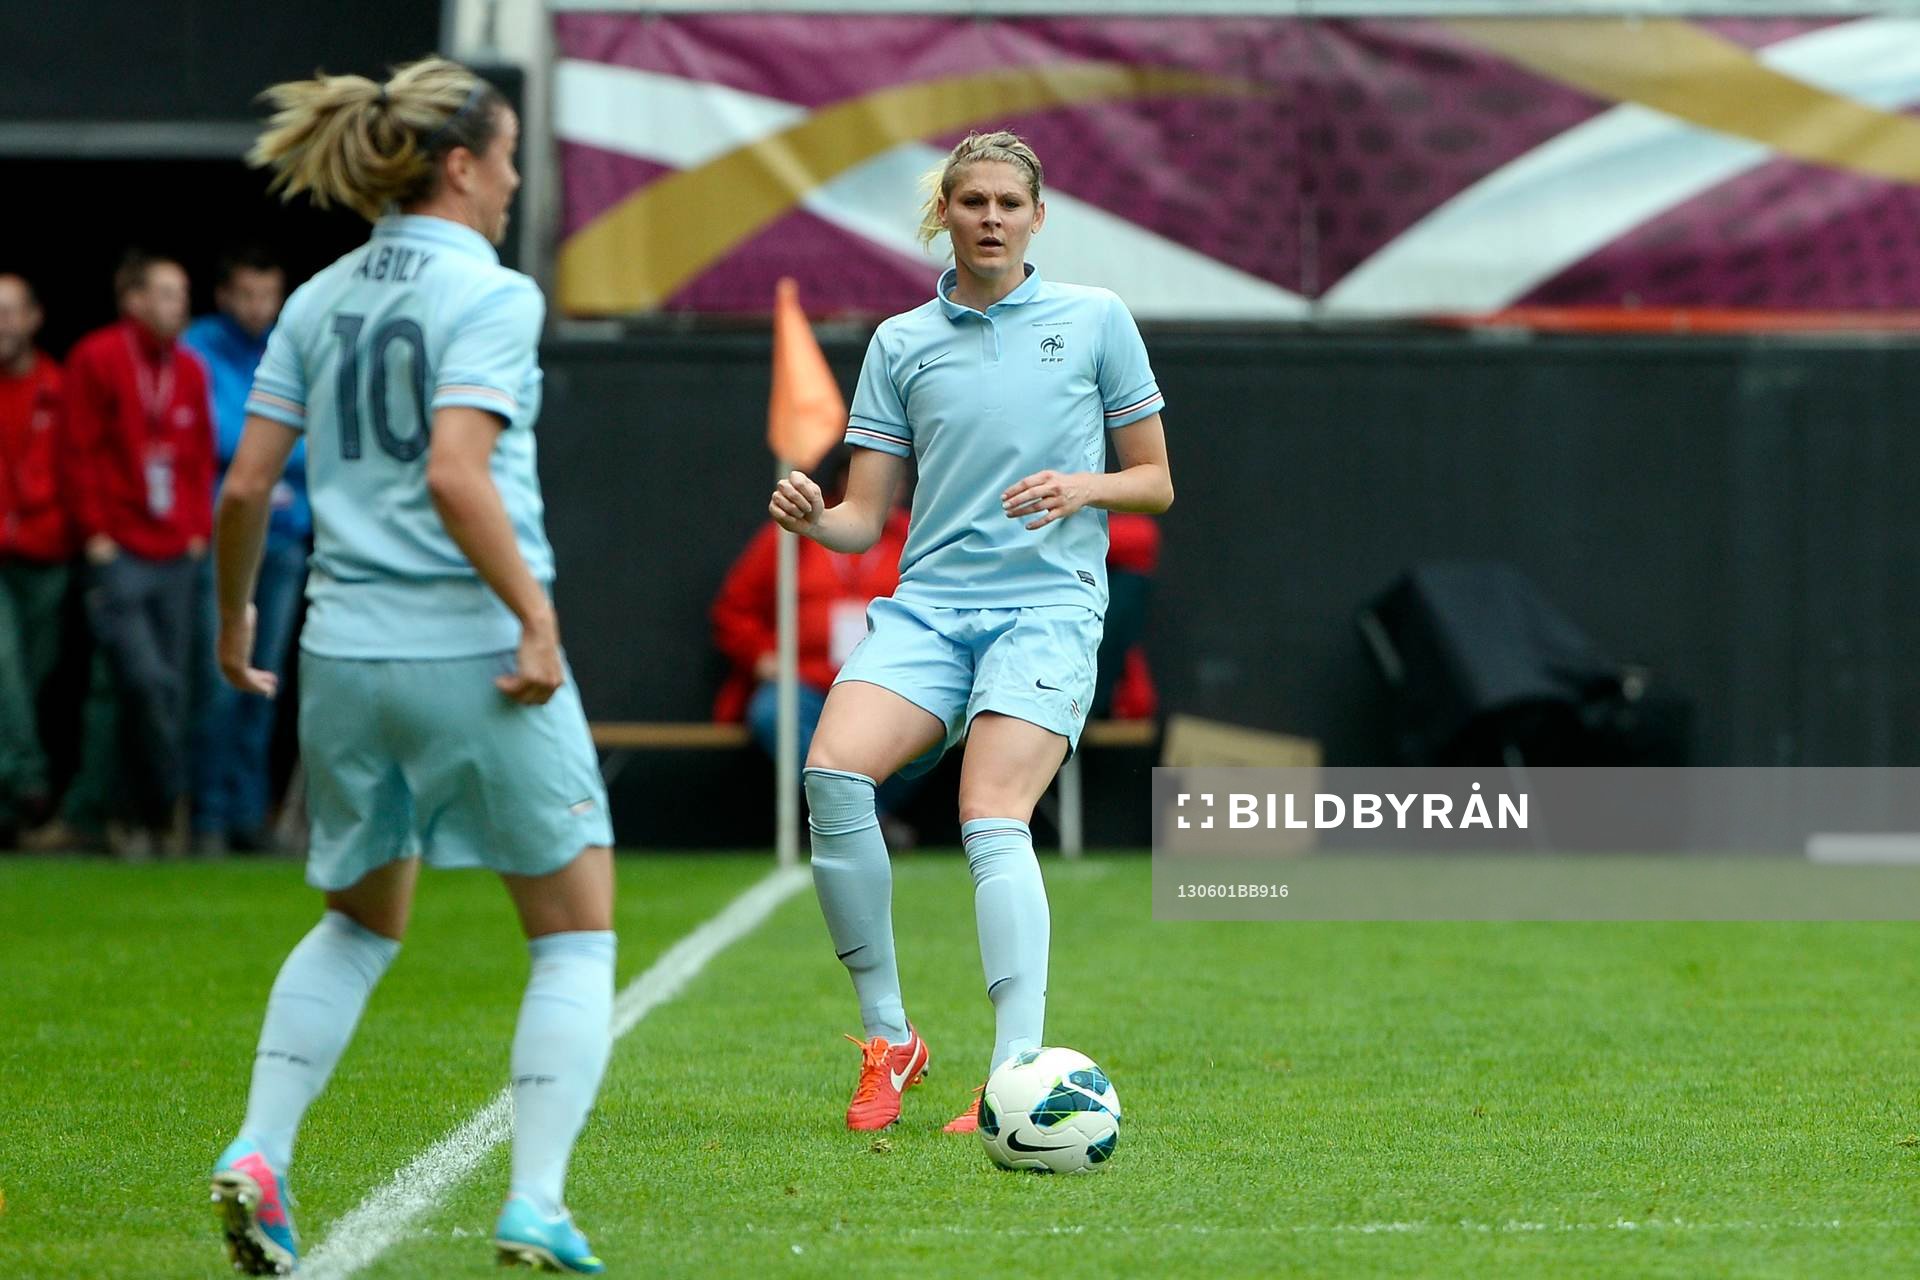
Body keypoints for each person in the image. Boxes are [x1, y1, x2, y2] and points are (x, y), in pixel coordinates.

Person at [208, 58, 614, 1276]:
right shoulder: (492, 292)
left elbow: (245, 485)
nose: (515, 181)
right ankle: (536, 1201)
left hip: (340, 652)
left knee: (358, 920)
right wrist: (536, 619)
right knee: (575, 935)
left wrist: (233, 620)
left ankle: (261, 1147)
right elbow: (453, 469)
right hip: (470, 650)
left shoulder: (319, 294)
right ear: (461, 164)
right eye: (508, 157)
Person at [767, 131, 1173, 1133]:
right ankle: (889, 1038)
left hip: (1048, 608)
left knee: (990, 813)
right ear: (943, 213)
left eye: (1008, 203)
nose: (991, 217)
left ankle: (1012, 1073)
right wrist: (817, 520)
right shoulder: (899, 342)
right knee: (832, 774)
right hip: (930, 609)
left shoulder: (1096, 319)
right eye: (972, 201)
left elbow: (1156, 481)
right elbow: (865, 518)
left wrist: (1083, 486)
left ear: (1038, 218)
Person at [64, 251, 216, 858]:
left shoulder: (190, 368)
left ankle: (148, 821)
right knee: (141, 681)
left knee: (173, 686)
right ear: (133, 299)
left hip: (176, 548)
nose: (179, 305)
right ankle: (155, 803)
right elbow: (78, 449)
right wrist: (96, 534)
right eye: (166, 292)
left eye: (182, 293)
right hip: (120, 548)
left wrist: (198, 528)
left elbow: (199, 455)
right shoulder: (98, 356)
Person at [711, 445, 920, 844]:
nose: (893, 487)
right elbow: (733, 608)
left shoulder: (915, 536)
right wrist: (760, 655)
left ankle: (857, 819)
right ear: (848, 481)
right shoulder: (798, 531)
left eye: (898, 479)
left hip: (885, 682)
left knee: (936, 718)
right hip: (806, 680)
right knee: (771, 713)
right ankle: (865, 822)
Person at [185, 247, 306, 853]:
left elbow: (319, 438)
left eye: (269, 294)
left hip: (285, 540)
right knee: (219, 677)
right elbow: (221, 435)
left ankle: (249, 815)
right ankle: (206, 816)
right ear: (224, 295)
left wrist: (267, 449)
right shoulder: (198, 348)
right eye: (248, 294)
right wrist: (276, 447)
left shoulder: (293, 339)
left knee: (266, 680)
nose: (260, 307)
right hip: (226, 541)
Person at [0, 274, 75, 843]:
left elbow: (83, 468)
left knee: (32, 677)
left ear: (33, 317)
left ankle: (11, 816)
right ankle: (27, 782)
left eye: (9, 311)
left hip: (47, 553)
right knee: (3, 666)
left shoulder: (59, 387)